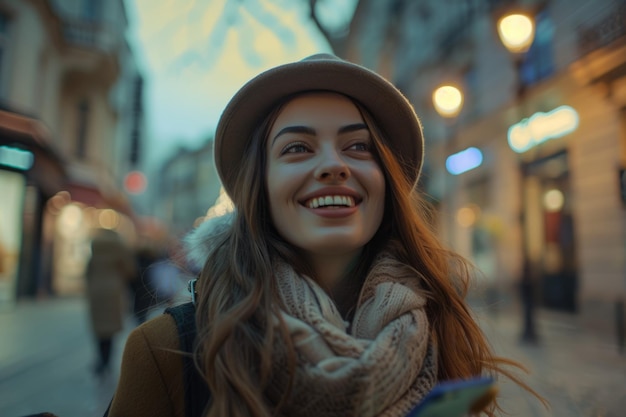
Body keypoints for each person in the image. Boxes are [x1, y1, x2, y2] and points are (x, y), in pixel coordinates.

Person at [107, 54, 545, 417]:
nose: (335, 165)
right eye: (297, 148)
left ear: (385, 180)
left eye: (358, 146)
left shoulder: (442, 333)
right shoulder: (165, 353)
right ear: (260, 185)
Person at [85, 228, 136, 378]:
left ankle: (99, 359)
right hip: (114, 290)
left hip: (96, 289)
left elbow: (88, 270)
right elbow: (130, 270)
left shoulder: (96, 248)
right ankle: (106, 361)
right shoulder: (119, 248)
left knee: (99, 326)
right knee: (111, 326)